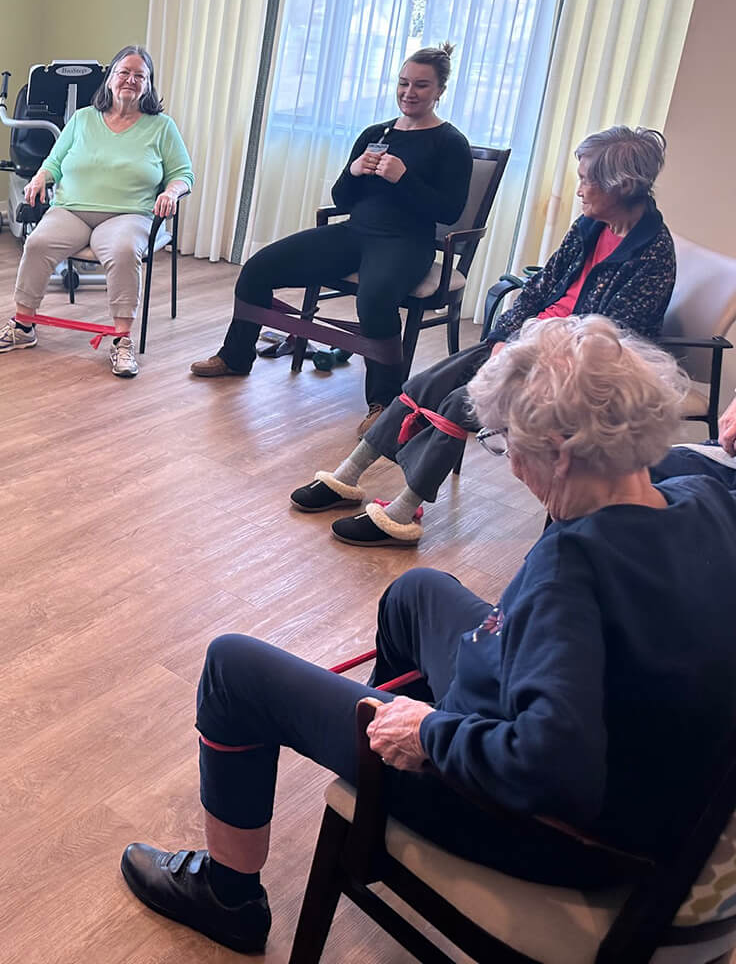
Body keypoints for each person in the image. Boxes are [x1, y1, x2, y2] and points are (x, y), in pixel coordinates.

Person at [121, 316, 736, 953]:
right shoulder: (706, 493)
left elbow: (554, 769)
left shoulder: (572, 568)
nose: (509, 461)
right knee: (416, 594)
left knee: (233, 669)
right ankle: (381, 776)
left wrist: (428, 733)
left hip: (558, 827)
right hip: (639, 772)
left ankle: (230, 896)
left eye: (507, 442)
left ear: (561, 452)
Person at [292, 127, 676, 547]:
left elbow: (607, 341)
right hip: (528, 341)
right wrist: (503, 336)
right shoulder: (590, 225)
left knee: (461, 401)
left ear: (620, 186)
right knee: (425, 383)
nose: (579, 190)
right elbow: (540, 287)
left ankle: (402, 513)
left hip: (573, 371)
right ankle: (347, 476)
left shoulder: (652, 253)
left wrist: (523, 349)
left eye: (587, 179)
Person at [191, 45, 472, 429]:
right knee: (257, 269)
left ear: (440, 90)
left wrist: (403, 178)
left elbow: (449, 212)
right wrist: (355, 171)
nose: (409, 92)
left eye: (421, 86)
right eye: (404, 83)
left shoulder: (450, 143)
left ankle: (385, 403)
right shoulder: (377, 133)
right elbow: (342, 198)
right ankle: (237, 356)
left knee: (374, 299)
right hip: (354, 233)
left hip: (407, 243)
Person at [0, 45, 193, 378]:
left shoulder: (161, 127)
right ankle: (23, 326)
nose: (130, 80)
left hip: (129, 214)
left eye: (140, 75)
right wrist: (40, 178)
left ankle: (121, 340)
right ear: (110, 79)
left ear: (149, 85)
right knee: (36, 243)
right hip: (73, 210)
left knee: (123, 251)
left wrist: (171, 191)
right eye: (124, 72)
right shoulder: (82, 119)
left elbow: (183, 174)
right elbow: (54, 161)